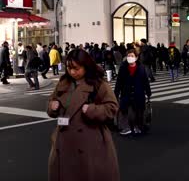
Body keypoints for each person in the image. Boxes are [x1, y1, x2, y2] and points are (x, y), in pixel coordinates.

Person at [47, 49, 120, 181]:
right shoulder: (64, 82)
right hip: (63, 140)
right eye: (69, 68)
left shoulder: (98, 84)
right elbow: (52, 102)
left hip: (90, 141)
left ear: (86, 66)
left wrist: (92, 110)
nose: (72, 72)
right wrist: (52, 107)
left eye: (76, 68)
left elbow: (112, 107)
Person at [114, 49, 152, 135]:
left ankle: (137, 127)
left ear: (136, 57)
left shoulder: (141, 68)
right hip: (126, 91)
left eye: (132, 56)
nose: (129, 58)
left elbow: (145, 81)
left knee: (138, 111)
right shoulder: (123, 67)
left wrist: (148, 92)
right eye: (128, 56)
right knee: (124, 110)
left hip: (138, 92)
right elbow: (119, 81)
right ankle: (125, 127)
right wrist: (116, 92)